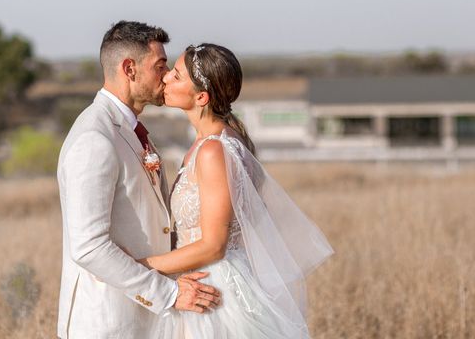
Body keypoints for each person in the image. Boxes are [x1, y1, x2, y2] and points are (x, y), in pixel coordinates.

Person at [139, 43, 334, 338]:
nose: (165, 78)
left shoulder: (213, 151)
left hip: (214, 293)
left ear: (201, 97)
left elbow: (214, 245)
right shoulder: (217, 142)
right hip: (204, 281)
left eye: (176, 76)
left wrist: (143, 267)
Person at [56, 23, 220, 339]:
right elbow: (88, 247)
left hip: (144, 320)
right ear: (130, 69)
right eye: (160, 66)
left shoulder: (129, 129)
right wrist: (168, 293)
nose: (168, 76)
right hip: (107, 323)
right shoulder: (94, 138)